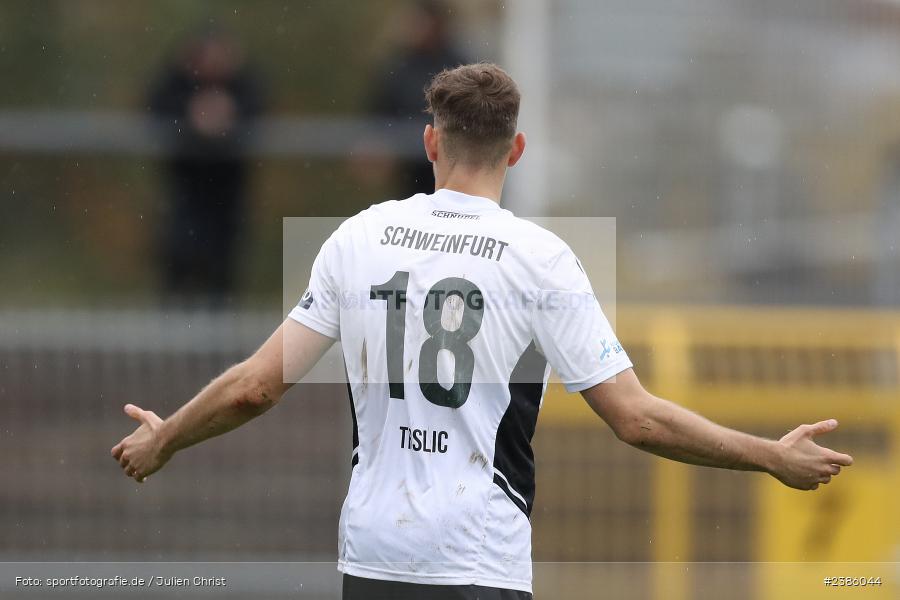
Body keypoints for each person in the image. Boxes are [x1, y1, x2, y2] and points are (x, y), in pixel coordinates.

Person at [112, 63, 853, 599]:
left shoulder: (359, 238)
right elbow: (636, 418)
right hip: (475, 560)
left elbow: (253, 388)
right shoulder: (541, 260)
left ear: (431, 143)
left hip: (374, 558)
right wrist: (768, 455)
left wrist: (166, 437)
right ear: (517, 149)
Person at [147, 30, 264, 303]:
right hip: (185, 193)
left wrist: (227, 113)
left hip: (227, 194)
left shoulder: (242, 85)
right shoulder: (177, 85)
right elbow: (156, 105)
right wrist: (193, 114)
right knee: (178, 261)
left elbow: (258, 104)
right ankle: (170, 331)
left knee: (223, 268)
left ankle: (220, 334)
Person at [363, 0, 469, 198]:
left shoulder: (459, 63)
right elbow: (380, 108)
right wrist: (376, 140)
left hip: (453, 162)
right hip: (409, 166)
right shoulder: (399, 65)